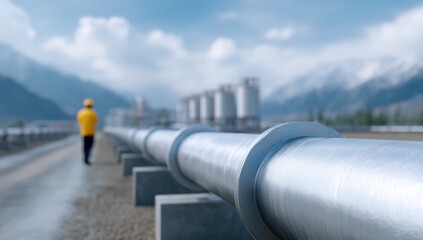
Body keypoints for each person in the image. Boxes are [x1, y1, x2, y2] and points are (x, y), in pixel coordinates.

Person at [77, 98, 98, 165]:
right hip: (91, 132)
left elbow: (79, 120)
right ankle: (87, 157)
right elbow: (96, 121)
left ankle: (85, 157)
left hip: (84, 132)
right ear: (91, 105)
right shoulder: (93, 113)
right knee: (90, 145)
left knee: (85, 146)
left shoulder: (81, 113)